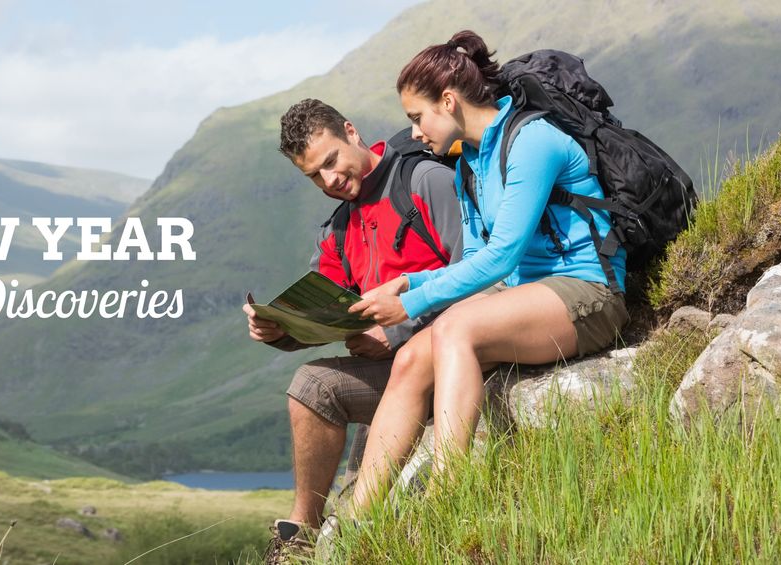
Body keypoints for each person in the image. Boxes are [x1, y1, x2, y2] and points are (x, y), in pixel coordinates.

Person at [347, 30, 631, 512]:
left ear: (449, 101)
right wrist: (410, 282)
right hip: (526, 293)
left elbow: (502, 256)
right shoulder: (470, 164)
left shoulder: (532, 142)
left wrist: (410, 304)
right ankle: (359, 519)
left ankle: (447, 497)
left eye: (417, 117)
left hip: (588, 291)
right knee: (411, 359)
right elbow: (475, 262)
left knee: (454, 327)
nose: (414, 133)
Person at [244, 98, 461, 560]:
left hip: (455, 360)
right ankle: (301, 537)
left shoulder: (426, 182)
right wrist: (279, 330)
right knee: (312, 387)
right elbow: (317, 309)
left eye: (331, 161)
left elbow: (483, 273)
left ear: (351, 131)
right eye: (313, 176)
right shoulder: (337, 230)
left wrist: (399, 332)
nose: (329, 181)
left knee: (315, 383)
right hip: (394, 374)